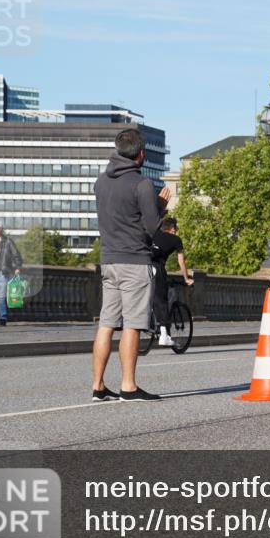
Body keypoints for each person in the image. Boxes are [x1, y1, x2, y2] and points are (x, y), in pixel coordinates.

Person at [91, 128, 170, 402]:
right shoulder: (142, 184)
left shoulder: (100, 182)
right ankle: (128, 386)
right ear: (141, 154)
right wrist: (160, 206)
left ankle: (98, 386)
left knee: (106, 324)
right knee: (133, 325)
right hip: (134, 261)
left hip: (108, 260)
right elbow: (153, 228)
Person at [150, 217, 194, 347]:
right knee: (161, 300)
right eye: (176, 229)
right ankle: (164, 335)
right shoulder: (176, 240)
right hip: (156, 267)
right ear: (173, 229)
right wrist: (186, 278)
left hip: (140, 265)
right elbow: (181, 261)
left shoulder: (154, 233)